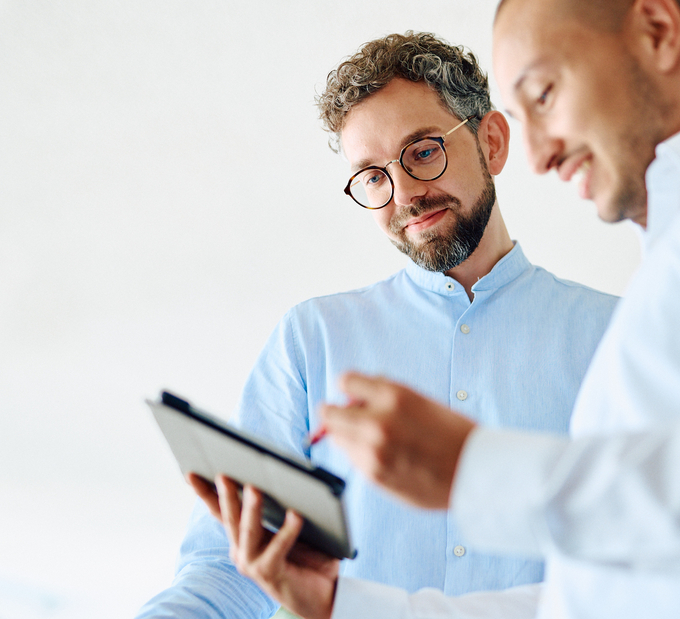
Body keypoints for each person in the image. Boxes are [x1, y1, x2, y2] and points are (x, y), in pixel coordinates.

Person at [205, 1, 680, 618]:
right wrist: (345, 604)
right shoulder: (663, 288)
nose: (538, 154)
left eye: (543, 94)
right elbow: (594, 597)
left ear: (658, 28)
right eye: (373, 176)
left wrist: (475, 468)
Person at [134, 31, 618, 619]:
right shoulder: (313, 340)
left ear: (491, 142)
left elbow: (647, 564)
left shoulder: (617, 336)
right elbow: (231, 566)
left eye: (423, 152)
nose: (406, 194)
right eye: (372, 176)